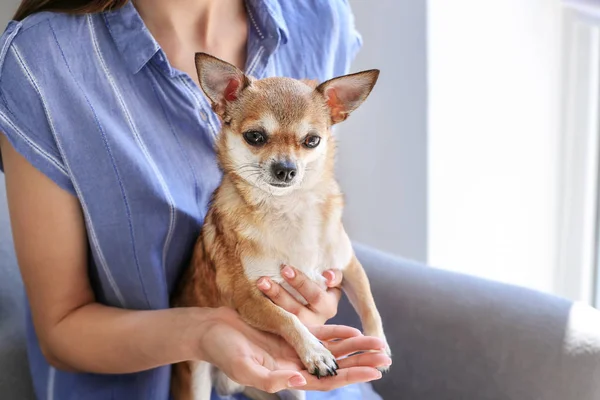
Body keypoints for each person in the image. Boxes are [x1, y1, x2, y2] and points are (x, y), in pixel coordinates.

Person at [0, 0, 391, 399]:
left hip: (317, 382)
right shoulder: (45, 61)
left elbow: (317, 205)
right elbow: (61, 330)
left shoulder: (319, 15)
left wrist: (318, 293)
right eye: (257, 137)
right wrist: (203, 331)